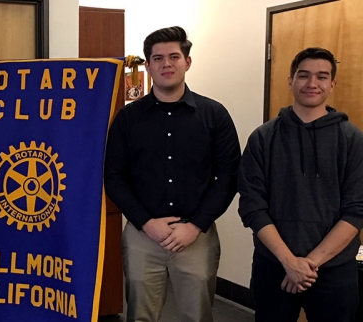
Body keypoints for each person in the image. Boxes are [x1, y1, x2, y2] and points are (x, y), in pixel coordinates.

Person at [104, 26, 241, 322]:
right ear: (149, 65)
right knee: (140, 314)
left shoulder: (214, 115)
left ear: (187, 62)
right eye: (158, 58)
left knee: (198, 315)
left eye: (174, 56)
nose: (166, 64)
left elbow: (228, 176)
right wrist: (145, 222)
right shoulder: (128, 118)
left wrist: (196, 225)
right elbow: (114, 176)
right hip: (143, 235)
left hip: (196, 235)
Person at [238, 47, 363, 322]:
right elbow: (252, 206)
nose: (312, 84)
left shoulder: (353, 140)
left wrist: (307, 265)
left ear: (332, 83)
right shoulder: (263, 138)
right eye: (304, 75)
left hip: (334, 270)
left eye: (322, 76)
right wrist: (288, 261)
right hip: (273, 266)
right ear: (290, 80)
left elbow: (356, 210)